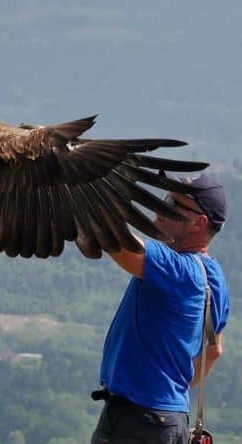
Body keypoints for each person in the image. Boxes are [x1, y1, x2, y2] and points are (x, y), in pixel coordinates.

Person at [91, 172, 229, 444]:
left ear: (198, 223)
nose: (161, 209)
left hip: (139, 420)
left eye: (174, 204)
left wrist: (78, 187)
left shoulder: (178, 269)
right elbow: (214, 349)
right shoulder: (214, 278)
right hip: (162, 418)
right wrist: (168, 392)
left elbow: (115, 242)